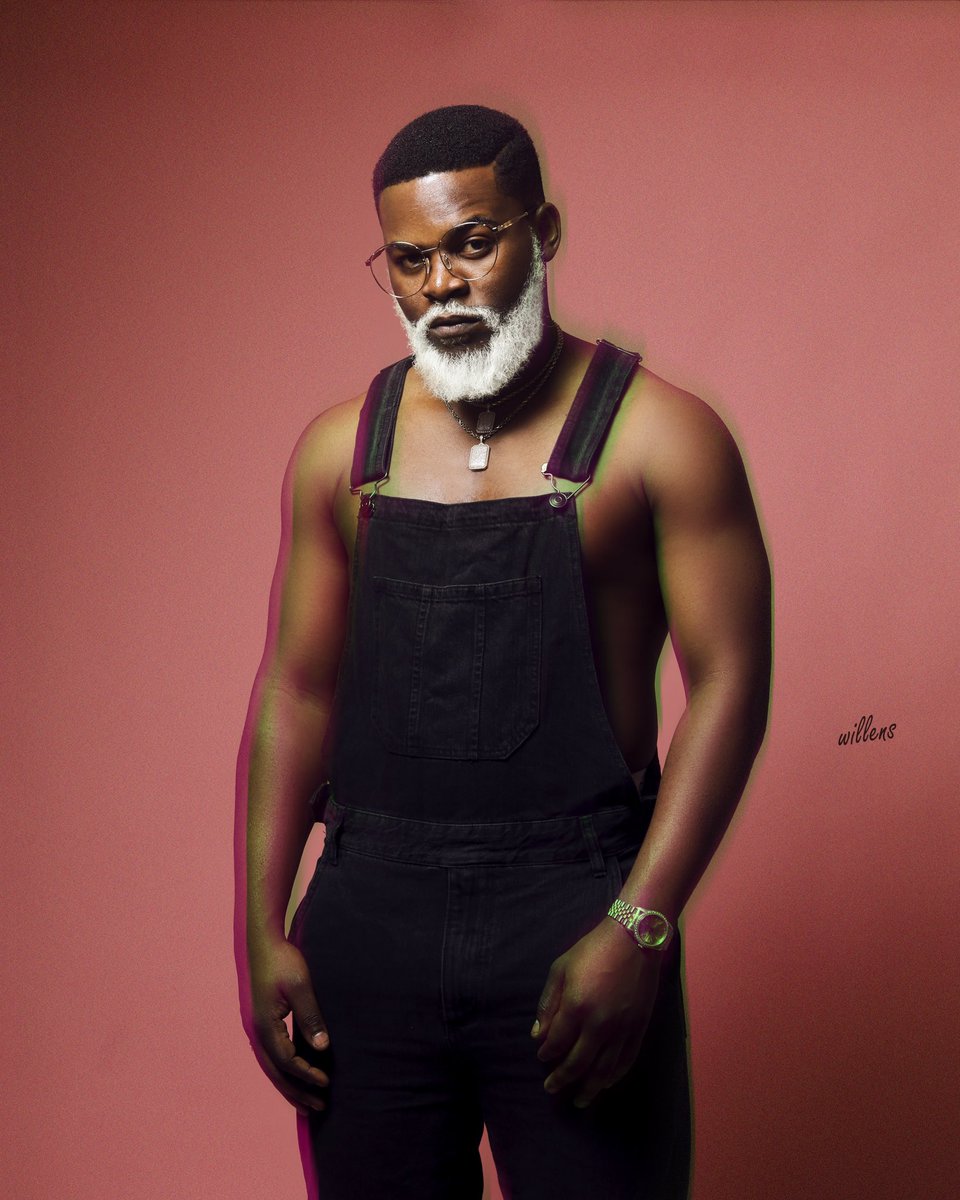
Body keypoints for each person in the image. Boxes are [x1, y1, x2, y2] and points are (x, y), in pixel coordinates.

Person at [237, 105, 771, 1200]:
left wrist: (640, 925)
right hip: (367, 916)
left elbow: (729, 683)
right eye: (410, 259)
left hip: (574, 909)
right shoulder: (341, 452)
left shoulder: (663, 437)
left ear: (545, 231)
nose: (442, 283)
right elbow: (297, 688)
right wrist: (259, 926)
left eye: (473, 243)